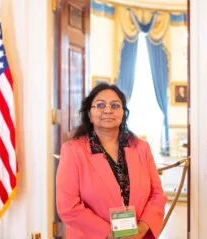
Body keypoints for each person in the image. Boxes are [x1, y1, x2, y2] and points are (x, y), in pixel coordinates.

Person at [56, 83, 167, 239]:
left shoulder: (141, 147)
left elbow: (157, 195)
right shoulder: (73, 150)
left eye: (115, 105)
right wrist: (110, 233)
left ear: (123, 113)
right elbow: (68, 206)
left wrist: (141, 229)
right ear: (89, 113)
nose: (108, 110)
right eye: (100, 105)